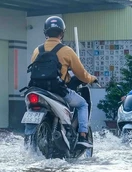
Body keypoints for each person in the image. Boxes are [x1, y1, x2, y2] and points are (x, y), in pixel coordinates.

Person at [30, 16, 97, 148]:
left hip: (36, 90)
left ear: (45, 32)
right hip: (58, 91)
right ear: (62, 33)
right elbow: (81, 74)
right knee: (83, 104)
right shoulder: (66, 51)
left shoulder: (37, 50)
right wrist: (91, 79)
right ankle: (83, 135)